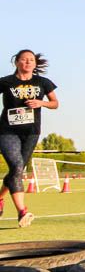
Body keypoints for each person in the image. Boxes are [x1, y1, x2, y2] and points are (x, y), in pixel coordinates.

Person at [0, 50, 58, 228]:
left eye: (31, 60)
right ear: (16, 62)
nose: (27, 62)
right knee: (17, 166)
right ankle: (22, 211)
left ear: (35, 63)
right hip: (7, 131)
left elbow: (55, 103)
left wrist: (41, 103)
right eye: (24, 60)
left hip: (32, 132)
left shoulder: (43, 82)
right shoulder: (6, 82)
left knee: (17, 170)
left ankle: (0, 198)